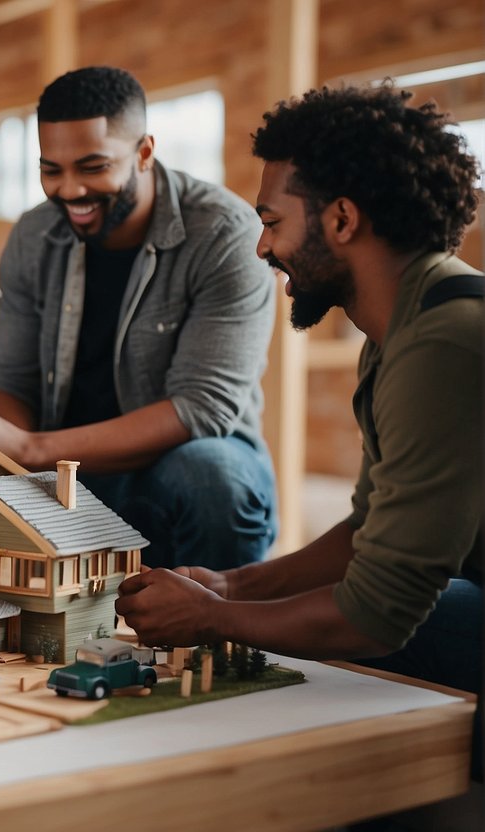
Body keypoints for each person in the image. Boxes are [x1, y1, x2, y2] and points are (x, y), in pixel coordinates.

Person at [116, 84, 482, 779]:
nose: (262, 247)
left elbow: (378, 611)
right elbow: (367, 532)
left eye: (272, 221)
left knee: (385, 622)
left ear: (340, 218)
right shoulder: (405, 326)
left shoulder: (444, 343)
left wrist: (210, 619)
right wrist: (232, 587)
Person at [0, 66, 277, 571]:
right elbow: (11, 381)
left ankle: (222, 633)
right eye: (52, 170)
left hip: (183, 464)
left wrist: (29, 447)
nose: (70, 191)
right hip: (65, 467)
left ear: (144, 152)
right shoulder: (33, 237)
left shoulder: (224, 234)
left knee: (210, 476)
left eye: (93, 167)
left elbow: (202, 408)